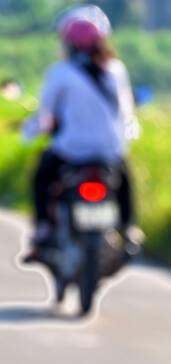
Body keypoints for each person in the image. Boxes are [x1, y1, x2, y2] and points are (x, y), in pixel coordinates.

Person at [25, 5, 140, 258]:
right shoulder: (116, 70)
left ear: (68, 43)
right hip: (109, 150)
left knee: (42, 176)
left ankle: (43, 228)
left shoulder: (59, 73)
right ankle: (129, 226)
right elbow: (126, 111)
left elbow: (46, 117)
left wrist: (31, 132)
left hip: (71, 150)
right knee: (124, 179)